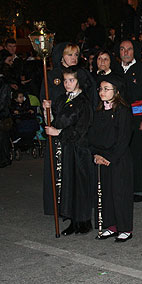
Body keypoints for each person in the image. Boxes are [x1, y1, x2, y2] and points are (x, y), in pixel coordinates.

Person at [42, 68, 94, 235]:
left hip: (80, 148)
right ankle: (72, 219)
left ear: (78, 81)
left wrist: (58, 133)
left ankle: (83, 221)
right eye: (65, 80)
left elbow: (81, 129)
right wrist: (47, 109)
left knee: (80, 184)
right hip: (67, 148)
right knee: (69, 183)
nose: (67, 84)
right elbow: (54, 120)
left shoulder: (83, 102)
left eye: (71, 80)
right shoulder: (62, 99)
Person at [88, 75, 135, 242]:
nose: (102, 92)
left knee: (120, 193)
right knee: (106, 193)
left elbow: (123, 139)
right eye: (100, 89)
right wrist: (96, 155)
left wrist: (111, 158)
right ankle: (111, 226)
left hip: (118, 159)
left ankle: (125, 228)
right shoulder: (99, 111)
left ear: (116, 92)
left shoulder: (123, 111)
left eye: (106, 89)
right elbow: (92, 135)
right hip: (102, 158)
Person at [118, 40, 142, 202]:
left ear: (134, 52)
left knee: (140, 153)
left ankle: (141, 188)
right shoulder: (115, 69)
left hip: (139, 117)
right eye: (122, 49)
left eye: (129, 49)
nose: (126, 52)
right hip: (120, 119)